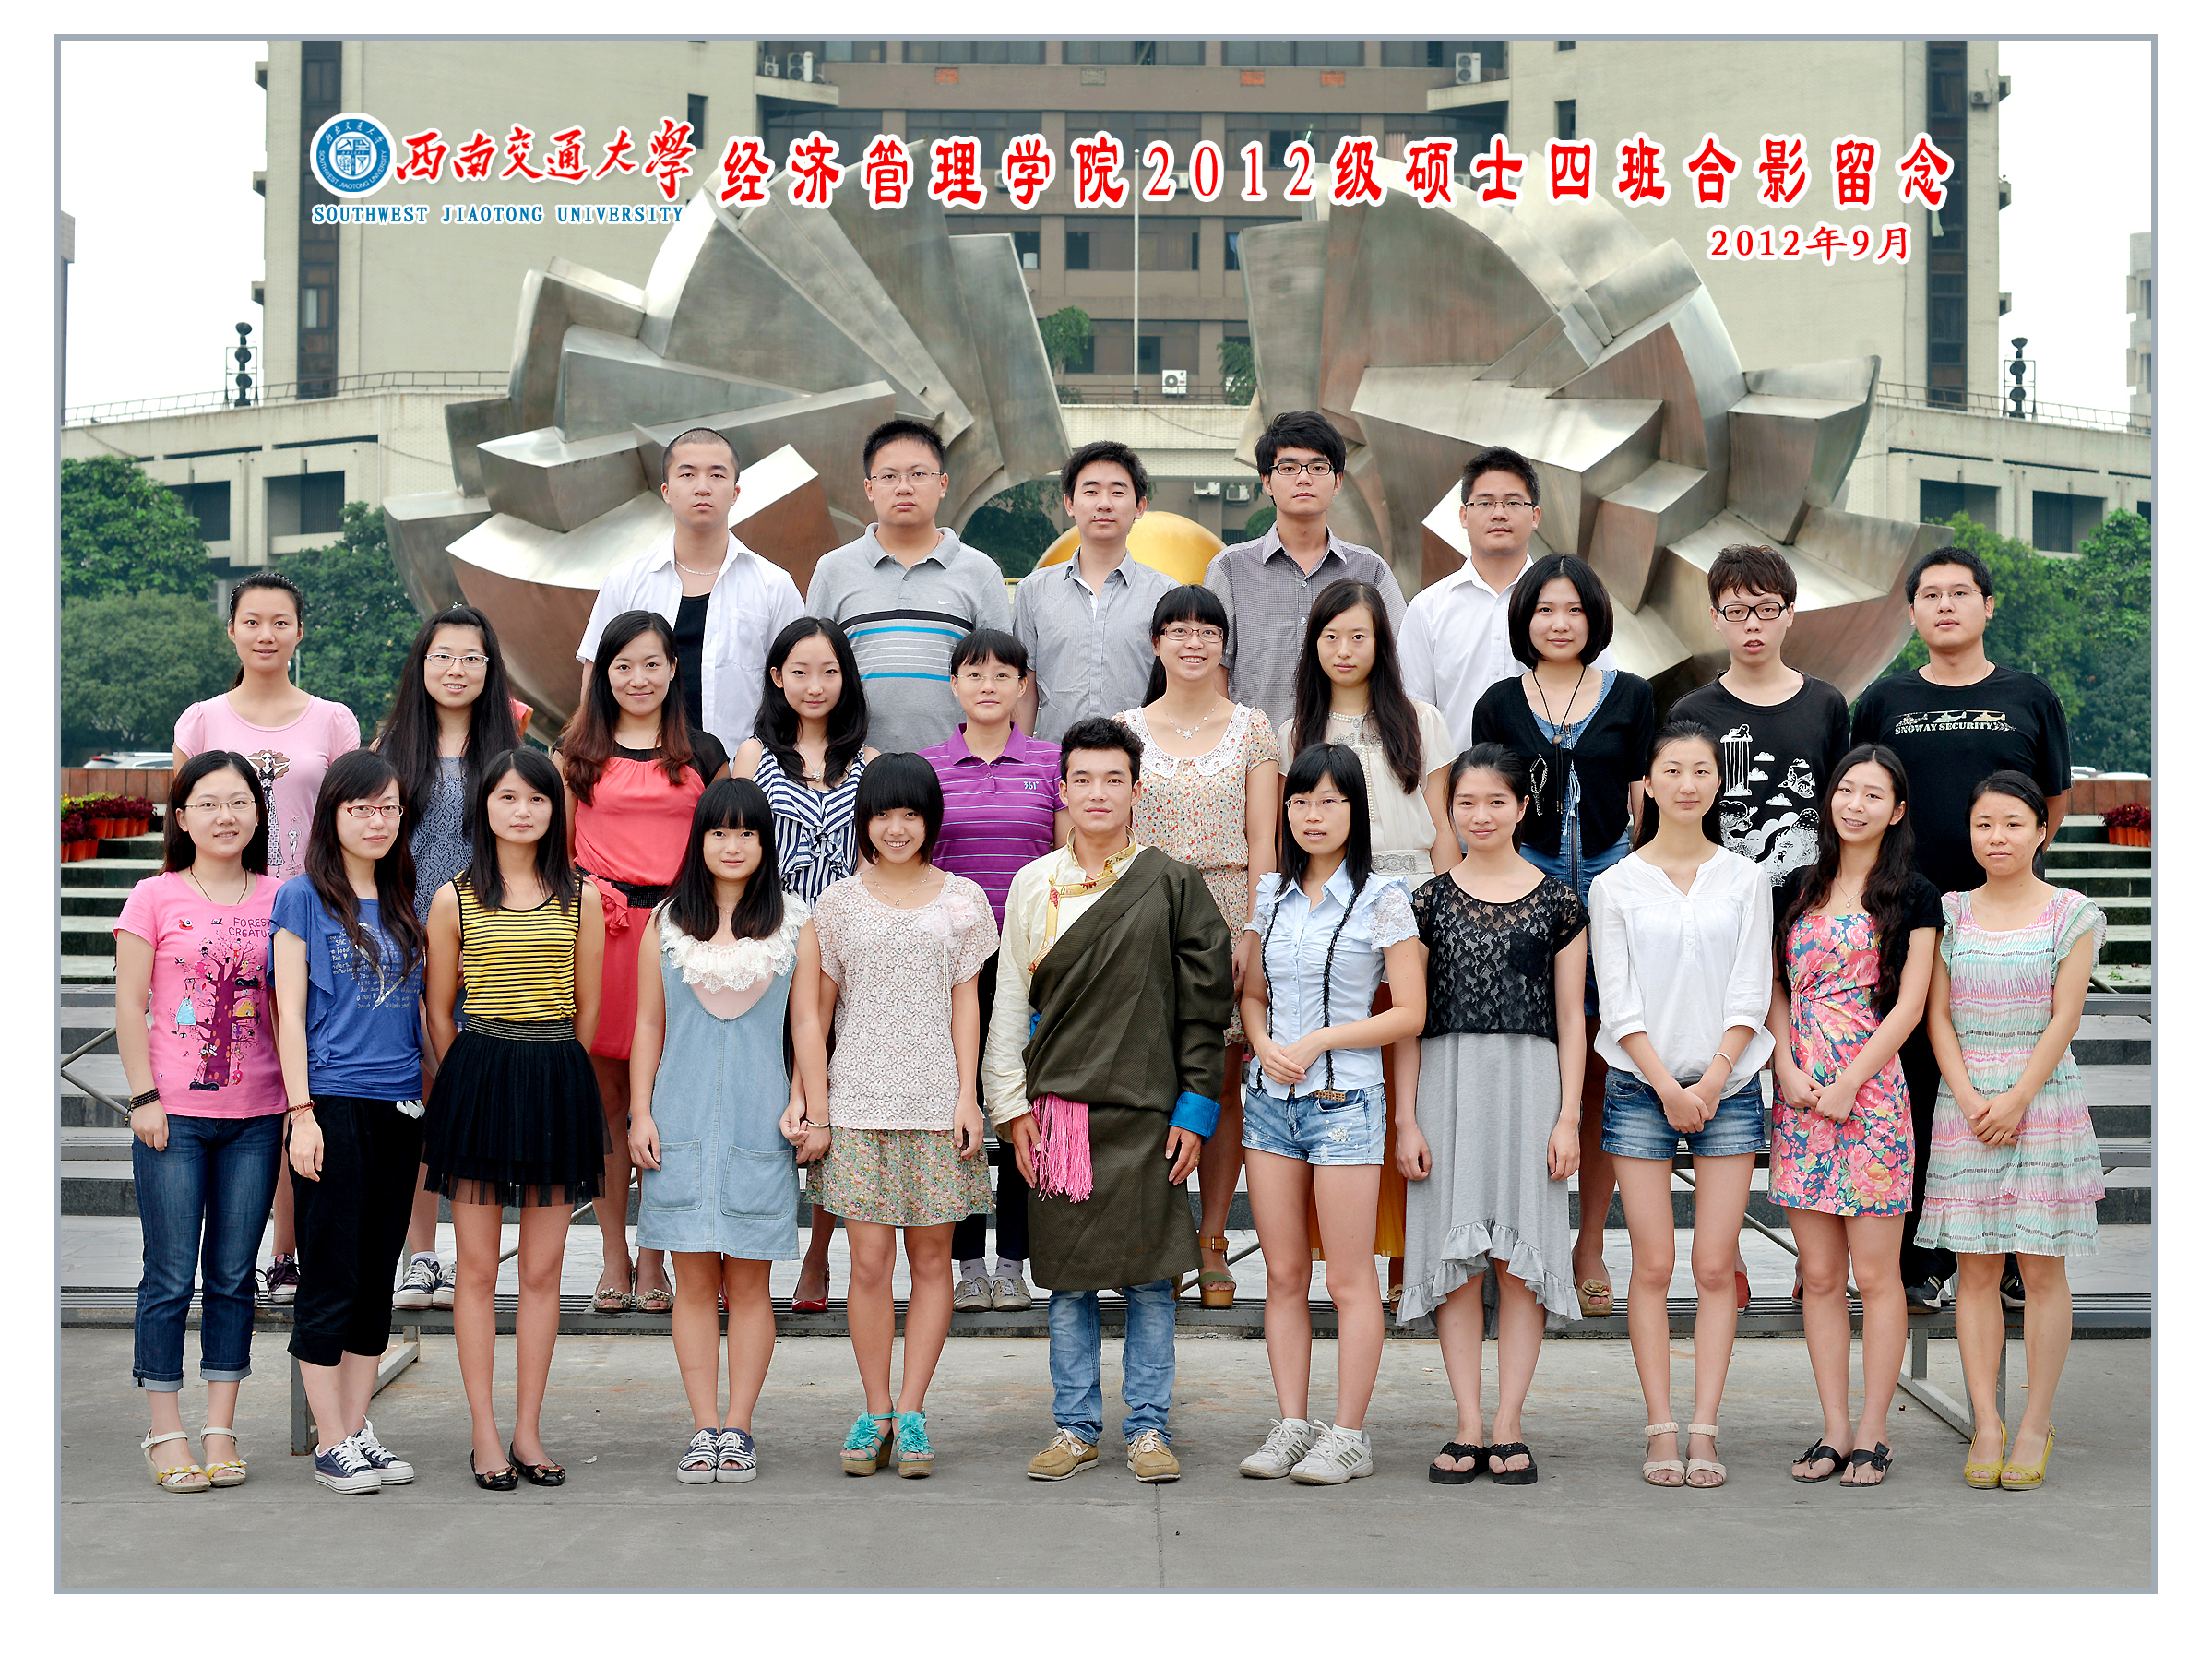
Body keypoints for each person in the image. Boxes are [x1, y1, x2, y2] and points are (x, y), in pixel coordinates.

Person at [981, 719, 1235, 1484]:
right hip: (1059, 1118)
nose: (1098, 793)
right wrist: (1011, 1110)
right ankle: (1076, 1427)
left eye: (1113, 779)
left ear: (1136, 790)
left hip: (1150, 1114)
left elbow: (1204, 1009)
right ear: (1061, 789)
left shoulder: (1173, 883)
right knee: (1069, 1282)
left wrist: (1196, 1109)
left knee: (1152, 1281)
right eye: (1083, 779)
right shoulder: (1035, 884)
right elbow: (1010, 1002)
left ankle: (1149, 1427)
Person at [1851, 544, 2074, 1315]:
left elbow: (2052, 799)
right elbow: (1863, 791)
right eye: (1931, 595)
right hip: (1909, 917)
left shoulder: (2029, 696)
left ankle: (2015, 1252)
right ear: (1912, 612)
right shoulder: (1884, 698)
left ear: (1988, 605)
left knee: (2007, 1078)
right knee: (1916, 1083)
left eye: (1960, 592)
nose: (1945, 605)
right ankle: (1921, 1257)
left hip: (2002, 925)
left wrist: (2013, 884)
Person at [785, 755, 999, 1478]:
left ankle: (911, 1411)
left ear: (930, 819)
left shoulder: (964, 899)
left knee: (933, 1261)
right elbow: (815, 1015)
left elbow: (968, 1006)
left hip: (937, 1105)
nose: (898, 827)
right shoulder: (838, 903)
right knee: (870, 1264)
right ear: (864, 820)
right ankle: (874, 1409)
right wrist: (812, 1102)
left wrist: (968, 1096)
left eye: (911, 813)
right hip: (858, 1104)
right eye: (883, 814)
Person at [1396, 746, 1589, 1485]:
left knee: (1519, 1261)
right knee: (1453, 1266)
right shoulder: (1425, 902)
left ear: (1521, 807)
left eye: (1496, 801)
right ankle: (1468, 1423)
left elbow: (1571, 1019)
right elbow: (1409, 1023)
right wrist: (1406, 1119)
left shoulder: (1560, 902)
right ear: (1450, 811)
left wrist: (1567, 1117)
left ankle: (1509, 1421)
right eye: (1466, 803)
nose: (1480, 815)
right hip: (1445, 1088)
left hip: (1530, 1089)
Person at [1234, 745, 1424, 1484]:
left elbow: (1409, 1011)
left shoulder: (1384, 895)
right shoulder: (1271, 893)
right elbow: (1252, 993)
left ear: (1355, 810)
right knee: (1282, 1273)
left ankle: (1348, 1433)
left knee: (1349, 1278)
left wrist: (1319, 1040)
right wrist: (1261, 1043)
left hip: (1345, 1102)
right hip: (1268, 1105)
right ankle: (1292, 1423)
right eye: (1301, 801)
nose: (1313, 815)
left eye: (1330, 801)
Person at [1590, 721, 1774, 1489]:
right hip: (1641, 1087)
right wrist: (1668, 1085)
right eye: (1672, 769)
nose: (1688, 783)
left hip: (1729, 1087)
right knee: (1654, 1263)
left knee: (1715, 1265)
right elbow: (1618, 1000)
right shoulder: (1616, 884)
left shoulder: (1746, 878)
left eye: (1701, 770)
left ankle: (1705, 1428)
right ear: (1649, 782)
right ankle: (1660, 1427)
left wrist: (1714, 1078)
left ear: (1717, 782)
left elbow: (1751, 988)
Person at [1470, 553, 1653, 1319]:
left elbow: (1644, 804)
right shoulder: (1497, 702)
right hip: (1525, 887)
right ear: (1525, 618)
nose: (1559, 622)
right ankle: (1515, 1238)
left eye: (1574, 609)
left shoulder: (1633, 695)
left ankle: (1589, 1244)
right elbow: (1484, 802)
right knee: (1524, 1065)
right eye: (1545, 608)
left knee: (1605, 1069)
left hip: (1612, 886)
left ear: (1595, 618)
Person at [172, 570, 360, 1305]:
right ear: (232, 630)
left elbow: (349, 822)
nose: (266, 634)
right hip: (228, 922)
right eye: (252, 621)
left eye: (281, 622)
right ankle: (233, 1259)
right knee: (241, 1082)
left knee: (298, 1084)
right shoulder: (201, 721)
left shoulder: (333, 721)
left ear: (299, 632)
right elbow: (182, 831)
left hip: (312, 917)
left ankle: (289, 1250)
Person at [423, 747, 608, 1491]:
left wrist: (553, 1069)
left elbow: (588, 1009)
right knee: (474, 1269)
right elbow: (439, 1009)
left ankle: (528, 1430)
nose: (523, 810)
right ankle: (484, 1432)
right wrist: (471, 1074)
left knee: (541, 1270)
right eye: (507, 797)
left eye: (536, 798)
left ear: (554, 809)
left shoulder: (581, 898)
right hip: (479, 1075)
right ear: (485, 807)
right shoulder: (454, 898)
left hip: (556, 1075)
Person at [1917, 772, 2104, 1493]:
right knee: (1976, 1270)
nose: (1997, 836)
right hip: (1966, 1104)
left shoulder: (2071, 914)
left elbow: (2066, 1016)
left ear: (2041, 830)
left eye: (2013, 823)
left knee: (2043, 1268)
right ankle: (1987, 1423)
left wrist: (2018, 1096)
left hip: (2042, 1100)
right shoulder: (1951, 912)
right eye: (1985, 824)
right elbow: (1937, 1014)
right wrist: (1970, 1097)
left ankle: (2035, 1422)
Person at [1766, 745, 1940, 1486]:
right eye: (1846, 789)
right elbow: (1775, 988)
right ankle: (1835, 1427)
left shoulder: (1915, 896)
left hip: (1872, 1100)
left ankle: (1874, 1431)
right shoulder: (1796, 887)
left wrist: (1849, 1083)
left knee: (1875, 1274)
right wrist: (1785, 1063)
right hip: (1802, 1096)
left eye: (1873, 794)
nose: (1855, 803)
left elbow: (1910, 1006)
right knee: (1819, 1273)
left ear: (1896, 811)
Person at [1281, 578, 1457, 1305]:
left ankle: (1407, 1253)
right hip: (1332, 907)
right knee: (1345, 1076)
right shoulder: (1296, 728)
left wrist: (1448, 911)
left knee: (1407, 1067)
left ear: (1381, 642)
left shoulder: (1420, 720)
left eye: (1360, 635)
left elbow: (1442, 826)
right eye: (1332, 636)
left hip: (1411, 897)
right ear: (1314, 645)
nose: (1346, 649)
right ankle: (1348, 1249)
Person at [627, 779, 806, 1486]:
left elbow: (808, 1026)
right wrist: (641, 1111)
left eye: (747, 833)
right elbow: (648, 1023)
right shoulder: (666, 922)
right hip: (679, 1123)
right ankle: (703, 1426)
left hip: (761, 1124)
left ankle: (740, 1426)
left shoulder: (794, 922)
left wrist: (806, 1104)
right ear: (699, 839)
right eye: (719, 831)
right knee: (694, 1281)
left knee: (752, 1285)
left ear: (766, 843)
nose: (733, 845)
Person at [113, 753, 284, 1493]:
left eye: (238, 801)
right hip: (173, 1116)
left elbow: (289, 1007)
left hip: (257, 1116)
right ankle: (166, 1429)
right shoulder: (153, 896)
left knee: (233, 1276)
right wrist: (143, 1097)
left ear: (257, 813)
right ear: (181, 817)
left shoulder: (282, 897)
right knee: (169, 1272)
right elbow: (129, 1005)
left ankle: (220, 1427)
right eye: (208, 803)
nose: (225, 816)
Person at [269, 751, 430, 1495]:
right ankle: (330, 1439)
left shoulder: (403, 900)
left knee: (374, 1280)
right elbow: (288, 1014)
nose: (376, 820)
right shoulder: (301, 898)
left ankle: (357, 1429)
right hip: (332, 1103)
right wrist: (301, 1113)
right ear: (333, 814)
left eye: (388, 807)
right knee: (331, 1273)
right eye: (360, 807)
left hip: (400, 1107)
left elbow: (420, 1014)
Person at [1115, 584, 1280, 1309]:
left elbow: (1264, 839)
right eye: (1177, 629)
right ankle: (1160, 1235)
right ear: (1155, 643)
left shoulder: (1253, 728)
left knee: (1219, 1078)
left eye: (1207, 629)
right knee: (1151, 1078)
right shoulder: (1124, 729)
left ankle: (1213, 1239)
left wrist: (1254, 930)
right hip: (1145, 913)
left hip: (1228, 908)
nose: (1192, 641)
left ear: (1223, 643)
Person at [562, 610, 731, 1316]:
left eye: (652, 663)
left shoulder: (703, 752)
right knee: (607, 1103)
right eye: (623, 664)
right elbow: (555, 851)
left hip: (682, 935)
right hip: (601, 936)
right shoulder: (576, 752)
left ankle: (658, 1253)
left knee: (669, 1102)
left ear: (673, 669)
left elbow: (730, 843)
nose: (638, 677)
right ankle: (613, 1254)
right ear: (603, 673)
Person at [375, 603, 526, 1316]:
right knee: (414, 1102)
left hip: (486, 951)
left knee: (467, 1104)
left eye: (471, 657)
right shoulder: (390, 747)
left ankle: (472, 1258)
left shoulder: (509, 749)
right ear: (422, 663)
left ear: (490, 668)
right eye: (442, 656)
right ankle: (420, 1254)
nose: (456, 670)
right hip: (404, 949)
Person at [731, 615, 880, 1312]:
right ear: (776, 677)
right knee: (763, 1096)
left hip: (846, 951)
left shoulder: (870, 763)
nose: (814, 685)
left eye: (828, 671)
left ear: (846, 679)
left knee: (830, 1103)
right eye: (800, 671)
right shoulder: (752, 756)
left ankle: (818, 1255)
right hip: (770, 940)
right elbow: (734, 851)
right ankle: (747, 1252)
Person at [921, 629, 1068, 1312]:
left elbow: (1066, 864)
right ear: (954, 685)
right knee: (959, 1110)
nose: (988, 685)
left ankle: (1012, 1263)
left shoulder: (1052, 762)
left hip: (1033, 966)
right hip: (951, 968)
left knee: (1020, 1113)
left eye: (1002, 674)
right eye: (974, 673)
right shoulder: (929, 769)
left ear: (1022, 686)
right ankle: (967, 1264)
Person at [576, 426, 803, 753]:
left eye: (717, 475)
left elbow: (798, 680)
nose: (702, 487)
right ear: (666, 491)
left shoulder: (773, 585)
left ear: (735, 492)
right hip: (643, 770)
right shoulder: (626, 581)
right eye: (687, 474)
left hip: (744, 772)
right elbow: (596, 676)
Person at [805, 417, 1018, 752]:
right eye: (889, 476)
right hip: (853, 766)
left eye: (918, 475)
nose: (903, 487)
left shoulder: (981, 572)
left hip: (954, 767)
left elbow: (1003, 678)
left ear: (943, 484)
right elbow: (811, 670)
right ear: (869, 488)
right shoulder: (833, 570)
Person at [1399, 446, 1615, 749]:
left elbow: (1604, 693)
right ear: (1463, 515)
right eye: (1485, 502)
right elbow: (1413, 713)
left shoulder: (1571, 605)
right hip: (1457, 775)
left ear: (1535, 515)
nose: (1499, 513)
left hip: (1552, 772)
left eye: (1513, 502)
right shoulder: (1428, 608)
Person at [1203, 410, 1407, 728]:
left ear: (1337, 482)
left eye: (1318, 467)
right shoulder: (1230, 569)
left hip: (1348, 749)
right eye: (1288, 467)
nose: (1303, 478)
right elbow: (1214, 667)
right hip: (1258, 750)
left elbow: (1399, 661)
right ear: (1267, 482)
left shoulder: (1370, 570)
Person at [1669, 544, 1852, 888]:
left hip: (1810, 898)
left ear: (1790, 613)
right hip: (1716, 896)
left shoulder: (1826, 704)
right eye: (1737, 611)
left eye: (1767, 609)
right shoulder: (1690, 713)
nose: (1753, 624)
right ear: (1715, 617)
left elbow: (1842, 804)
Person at [1010, 439, 1180, 743]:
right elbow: (1025, 692)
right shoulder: (1033, 591)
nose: (1104, 503)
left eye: (1117, 492)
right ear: (1070, 504)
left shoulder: (1166, 594)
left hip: (1140, 762)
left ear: (1140, 506)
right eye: (1091, 491)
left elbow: (1176, 688)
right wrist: (1020, 762)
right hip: (1055, 759)